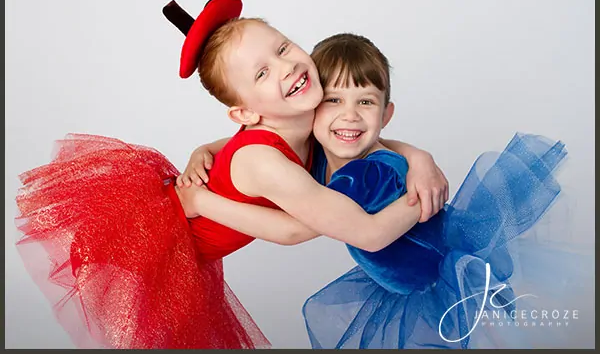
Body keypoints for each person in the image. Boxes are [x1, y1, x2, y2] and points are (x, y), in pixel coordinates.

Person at [14, 0, 446, 349]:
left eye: (282, 48)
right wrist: (420, 198)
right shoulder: (264, 161)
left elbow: (364, 137)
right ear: (246, 114)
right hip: (158, 247)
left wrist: (420, 160)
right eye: (261, 74)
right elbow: (322, 231)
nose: (286, 67)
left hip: (188, 218)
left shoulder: (302, 116)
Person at [176, 32, 584, 349]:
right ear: (310, 108)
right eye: (333, 100)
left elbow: (353, 220)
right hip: (407, 284)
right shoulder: (311, 147)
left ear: (386, 113)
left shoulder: (367, 170)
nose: (348, 115)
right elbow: (270, 175)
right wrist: (201, 163)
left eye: (366, 103)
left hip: (439, 276)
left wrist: (419, 178)